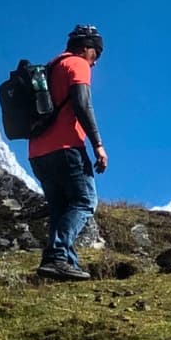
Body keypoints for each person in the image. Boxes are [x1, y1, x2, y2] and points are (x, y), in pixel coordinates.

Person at [29, 25, 108, 281]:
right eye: (96, 54)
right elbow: (82, 104)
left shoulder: (49, 68)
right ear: (87, 48)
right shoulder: (77, 64)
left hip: (37, 152)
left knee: (60, 208)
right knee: (85, 201)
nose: (95, 62)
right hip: (66, 148)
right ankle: (57, 255)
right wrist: (97, 144)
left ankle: (63, 266)